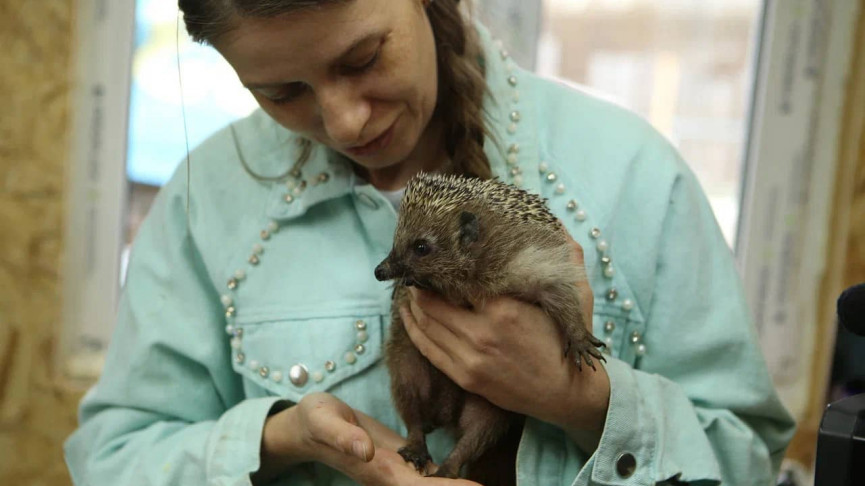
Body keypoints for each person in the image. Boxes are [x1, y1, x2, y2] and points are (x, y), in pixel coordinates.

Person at [64, 0, 796, 484]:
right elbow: (113, 458)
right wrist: (282, 438)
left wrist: (581, 400)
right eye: (281, 92)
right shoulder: (206, 198)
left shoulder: (631, 173)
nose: (345, 122)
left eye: (361, 59)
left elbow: (746, 461)